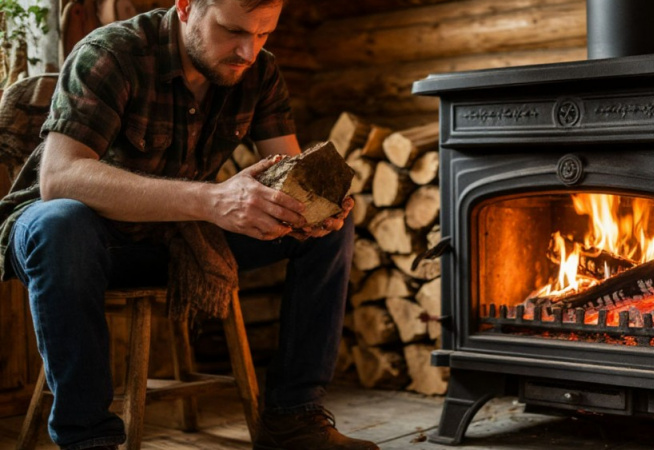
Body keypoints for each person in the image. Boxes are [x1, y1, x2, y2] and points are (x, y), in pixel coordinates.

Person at [0, 0, 379, 449]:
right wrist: (212, 199)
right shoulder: (111, 53)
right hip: (71, 244)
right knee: (63, 222)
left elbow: (294, 173)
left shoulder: (259, 71)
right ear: (184, 7)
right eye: (232, 31)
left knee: (328, 233)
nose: (248, 52)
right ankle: (87, 440)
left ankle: (294, 418)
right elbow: (60, 178)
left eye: (263, 35)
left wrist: (310, 209)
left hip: (175, 239)